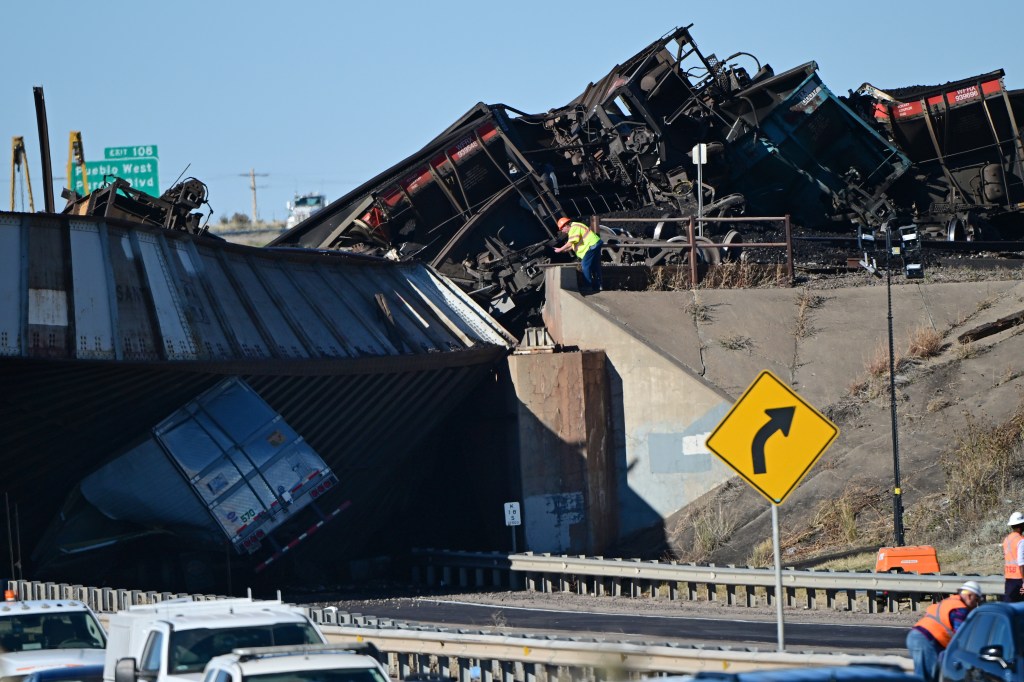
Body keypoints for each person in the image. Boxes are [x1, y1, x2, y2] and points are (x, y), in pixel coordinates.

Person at [905, 580, 983, 682]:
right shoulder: (960, 609)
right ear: (970, 596)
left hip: (917, 637)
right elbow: (960, 636)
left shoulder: (950, 602)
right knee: (926, 677)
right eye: (976, 600)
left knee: (925, 675)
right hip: (926, 640)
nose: (976, 604)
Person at [553, 216, 603, 292]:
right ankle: (598, 286)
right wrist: (565, 250)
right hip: (595, 243)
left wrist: (560, 249)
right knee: (595, 266)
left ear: (566, 225)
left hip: (591, 245)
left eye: (562, 228)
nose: (562, 231)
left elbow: (570, 243)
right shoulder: (576, 226)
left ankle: (588, 287)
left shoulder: (573, 228)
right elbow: (574, 244)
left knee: (585, 265)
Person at [1004, 511, 1024, 602]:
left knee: (1010, 609)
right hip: (1019, 580)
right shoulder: (1021, 540)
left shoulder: (1007, 539)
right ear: (1021, 525)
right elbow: (1021, 563)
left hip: (1009, 579)